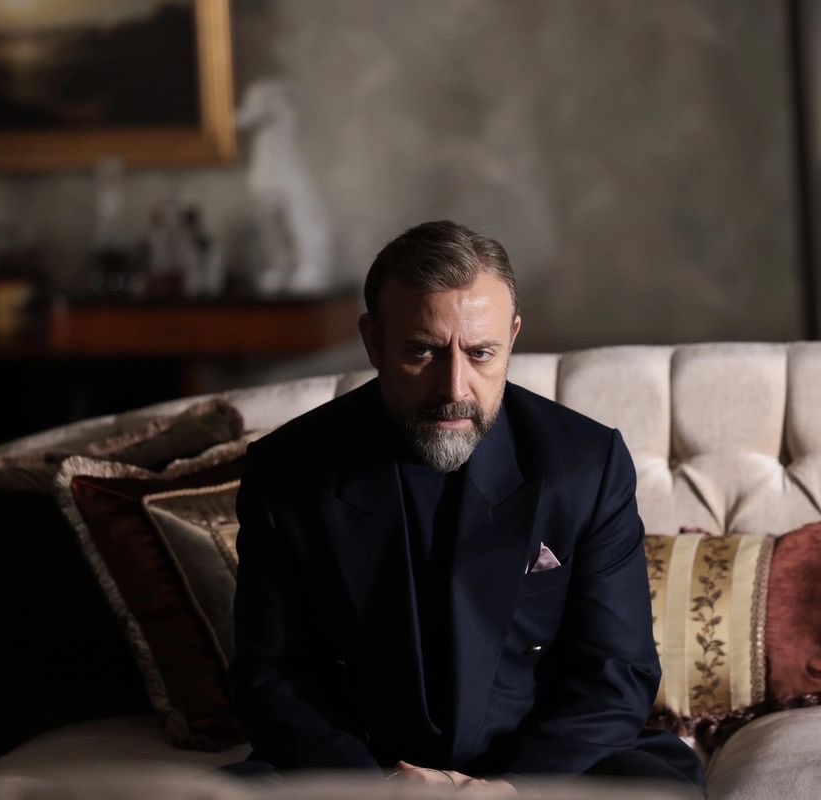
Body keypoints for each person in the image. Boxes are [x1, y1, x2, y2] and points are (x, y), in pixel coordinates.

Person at [224, 221, 705, 795]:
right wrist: (380, 788)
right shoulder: (289, 469)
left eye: (481, 354)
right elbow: (270, 676)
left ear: (512, 337)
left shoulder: (585, 465)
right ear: (373, 341)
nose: (454, 388)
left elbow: (616, 672)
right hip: (359, 770)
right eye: (422, 351)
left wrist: (508, 788)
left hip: (542, 766)